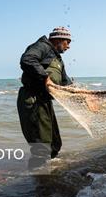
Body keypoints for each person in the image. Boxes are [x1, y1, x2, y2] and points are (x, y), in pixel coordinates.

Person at [17, 27, 73, 159]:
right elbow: (27, 59)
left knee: (54, 144)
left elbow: (66, 84)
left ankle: (50, 176)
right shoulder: (43, 46)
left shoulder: (58, 59)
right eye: (67, 42)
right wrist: (45, 77)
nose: (69, 46)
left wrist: (86, 98)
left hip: (45, 102)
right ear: (58, 40)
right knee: (41, 146)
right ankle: (38, 177)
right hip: (33, 100)